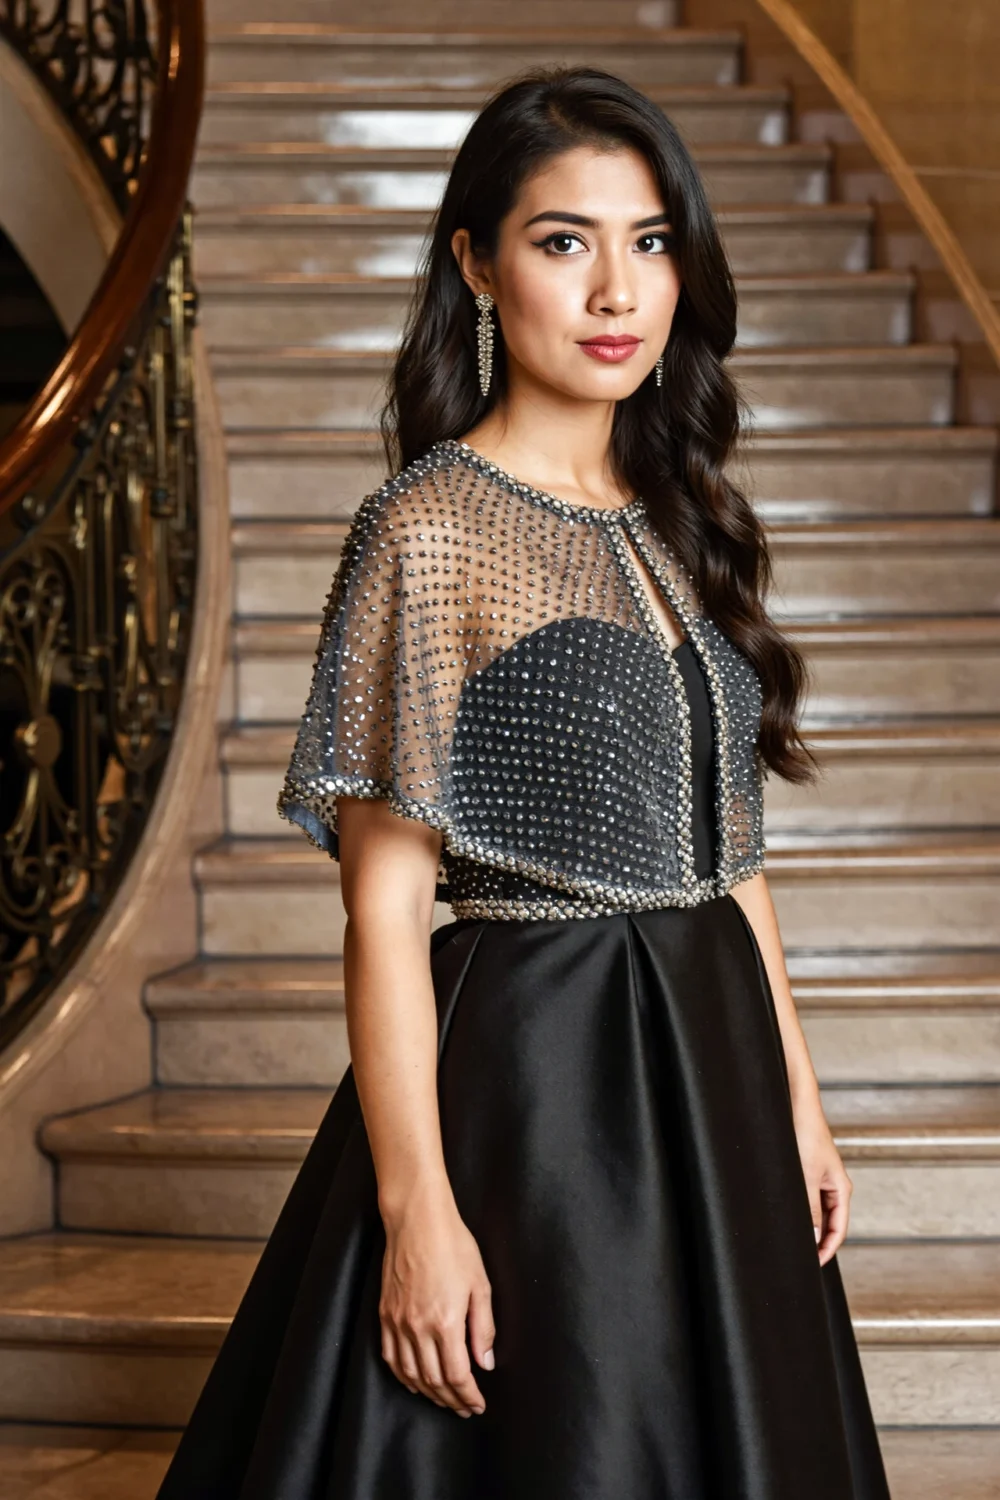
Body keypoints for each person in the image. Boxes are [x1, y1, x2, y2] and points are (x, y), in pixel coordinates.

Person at [156, 66, 891, 1499]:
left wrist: (797, 1097)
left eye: (651, 240)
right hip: (546, 1095)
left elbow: (732, 857)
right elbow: (383, 911)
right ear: (479, 267)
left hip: (716, 1070)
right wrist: (417, 1205)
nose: (617, 288)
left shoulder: (680, 518)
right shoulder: (427, 533)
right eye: (566, 242)